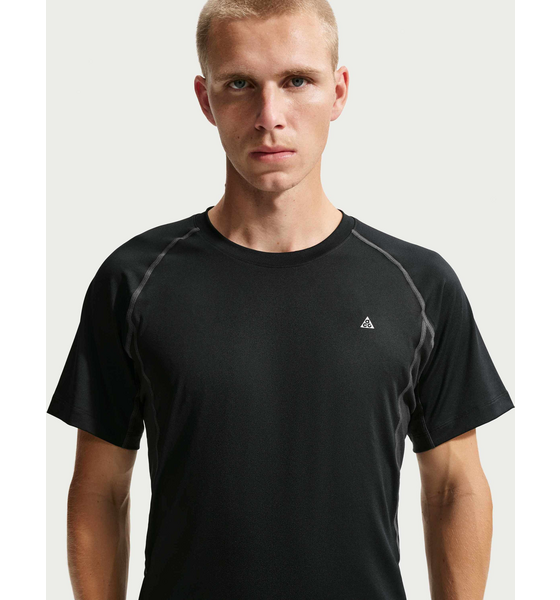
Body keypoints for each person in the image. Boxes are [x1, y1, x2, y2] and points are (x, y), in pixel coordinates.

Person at [46, 0, 514, 598]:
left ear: (338, 91)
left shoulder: (419, 285)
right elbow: (99, 488)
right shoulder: (135, 281)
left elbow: (454, 486)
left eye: (297, 81)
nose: (270, 116)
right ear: (205, 99)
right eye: (240, 84)